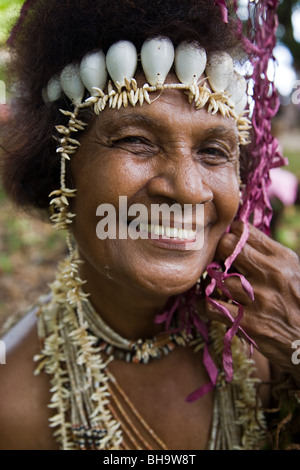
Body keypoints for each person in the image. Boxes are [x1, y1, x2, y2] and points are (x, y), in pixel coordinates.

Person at [0, 0, 299, 451]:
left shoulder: (273, 343)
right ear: (59, 168)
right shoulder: (11, 404)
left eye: (214, 151)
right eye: (136, 141)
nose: (186, 189)